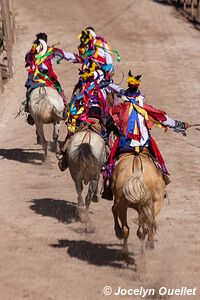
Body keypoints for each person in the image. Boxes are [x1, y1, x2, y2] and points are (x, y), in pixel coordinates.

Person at [101, 70, 190, 199]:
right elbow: (163, 118)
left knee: (110, 161)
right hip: (143, 144)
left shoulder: (120, 107)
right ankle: (163, 177)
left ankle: (108, 186)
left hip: (125, 143)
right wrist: (179, 125)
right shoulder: (145, 107)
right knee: (157, 156)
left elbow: (109, 115)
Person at [24, 32, 81, 124]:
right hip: (48, 78)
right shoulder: (51, 51)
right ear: (46, 41)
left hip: (34, 79)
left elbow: (27, 61)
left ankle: (29, 110)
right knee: (59, 90)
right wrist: (80, 59)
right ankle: (64, 108)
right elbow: (66, 55)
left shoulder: (32, 52)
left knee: (29, 91)